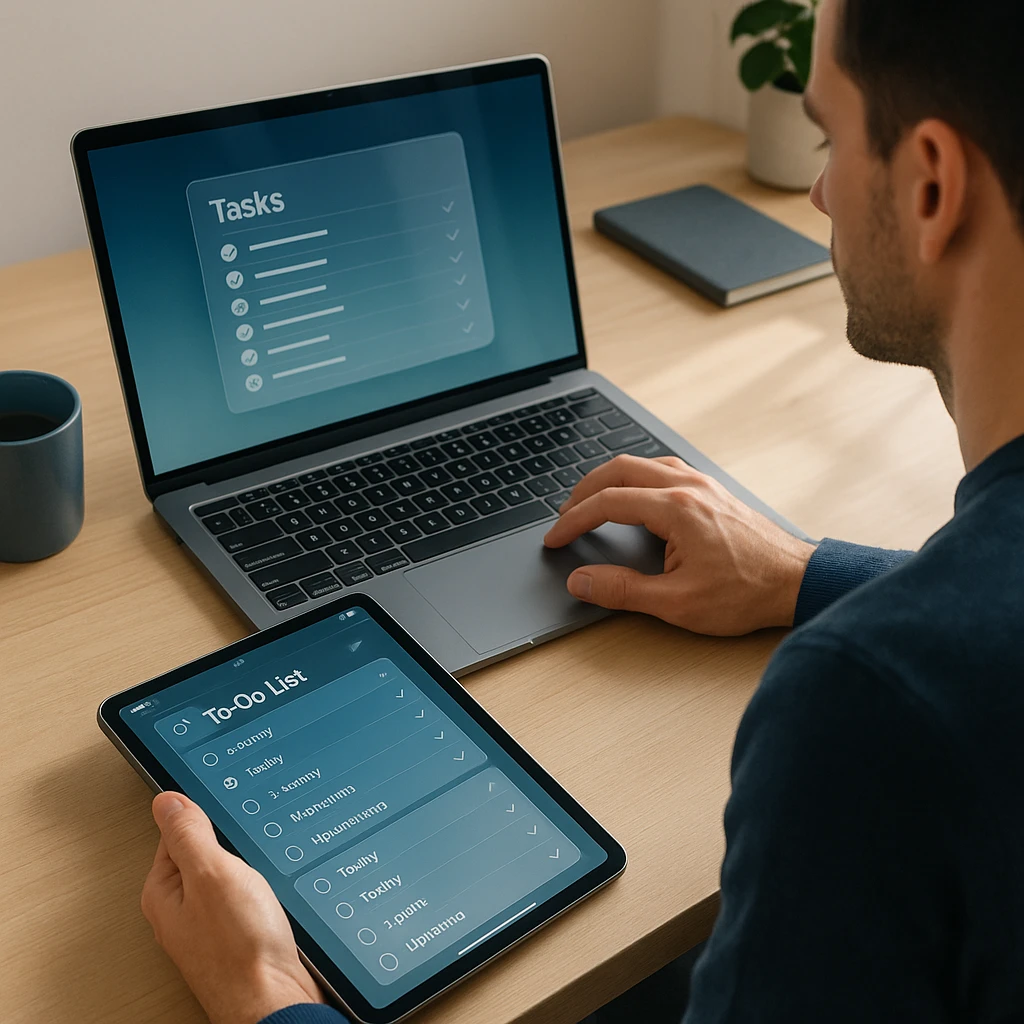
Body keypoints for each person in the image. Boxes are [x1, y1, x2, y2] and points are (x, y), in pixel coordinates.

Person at [139, 0, 1024, 1020]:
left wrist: (266, 999)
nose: (818, 187)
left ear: (930, 184)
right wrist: (807, 573)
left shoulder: (867, 713)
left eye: (828, 135)